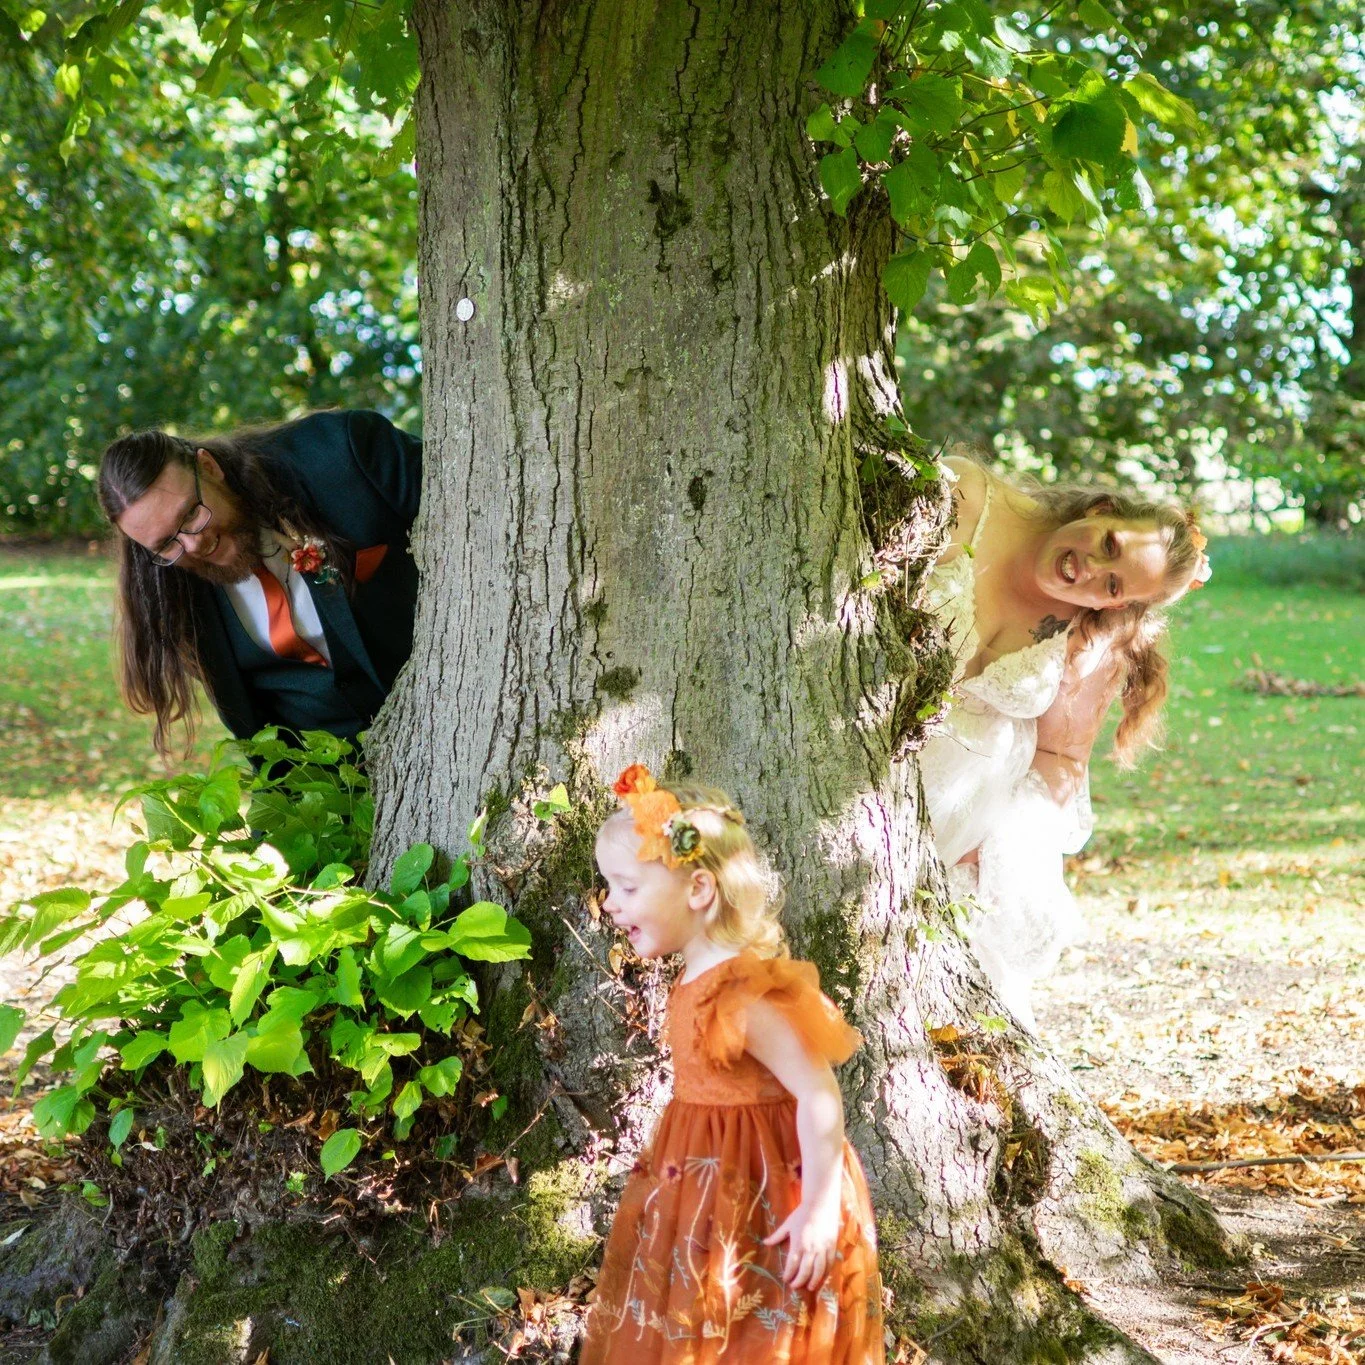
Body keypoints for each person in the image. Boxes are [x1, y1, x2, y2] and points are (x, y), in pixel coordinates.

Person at [581, 765, 883, 1365]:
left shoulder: (745, 994)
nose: (610, 905)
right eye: (609, 887)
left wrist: (820, 1206)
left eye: (627, 888)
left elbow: (819, 1093)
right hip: (704, 1190)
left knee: (762, 1330)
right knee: (704, 1316)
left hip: (773, 1192)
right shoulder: (695, 978)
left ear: (698, 891)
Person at [918, 455, 1211, 1031]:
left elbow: (1061, 760)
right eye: (1108, 544)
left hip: (969, 818)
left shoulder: (1089, 636)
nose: (1090, 569)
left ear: (1114, 604)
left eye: (1112, 584)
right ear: (1101, 510)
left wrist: (1006, 840)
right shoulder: (966, 496)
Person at [96, 409, 421, 756]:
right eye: (165, 544)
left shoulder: (343, 451)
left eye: (191, 513)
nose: (194, 545)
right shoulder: (176, 594)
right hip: (330, 790)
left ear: (209, 467)